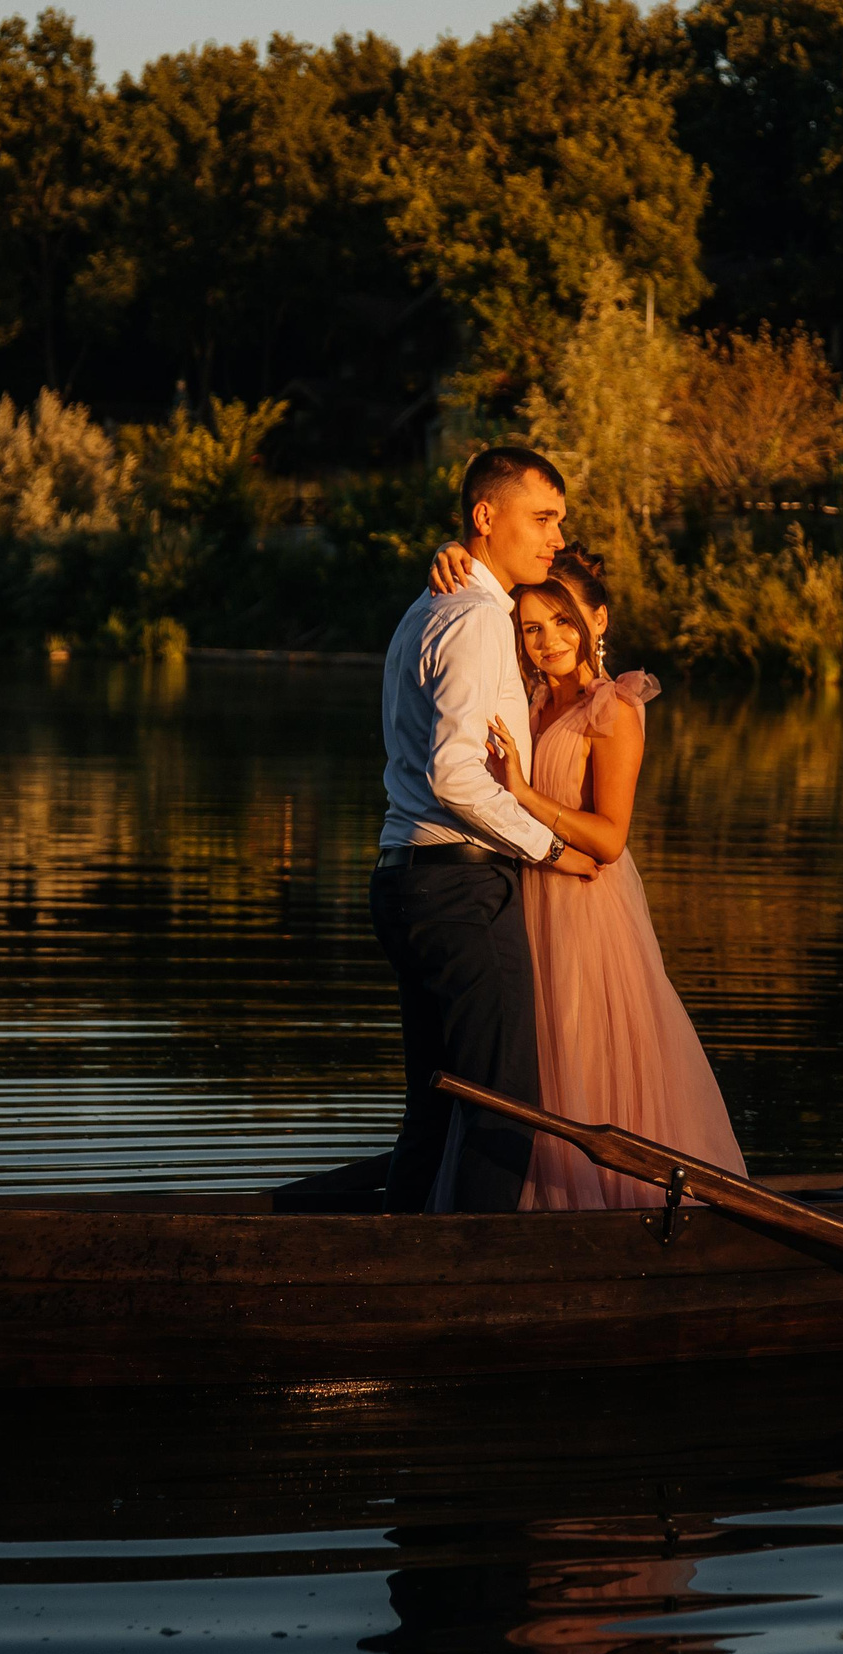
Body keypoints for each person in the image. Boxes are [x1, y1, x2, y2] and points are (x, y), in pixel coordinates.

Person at [425, 543, 747, 1209]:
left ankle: (596, 1203)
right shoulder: (528, 700)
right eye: (531, 628)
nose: (548, 641)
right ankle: (510, 1201)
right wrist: (451, 553)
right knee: (528, 1058)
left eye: (562, 622)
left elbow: (609, 837)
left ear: (597, 621)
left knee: (581, 1050)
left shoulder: (613, 709)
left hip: (586, 908)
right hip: (524, 900)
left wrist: (522, 791)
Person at [372, 448, 600, 1213]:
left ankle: (394, 1253)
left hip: (405, 879)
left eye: (559, 522)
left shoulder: (427, 606)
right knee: (505, 1105)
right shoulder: (473, 618)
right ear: (485, 516)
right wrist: (551, 849)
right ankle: (473, 1264)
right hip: (459, 888)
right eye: (543, 518)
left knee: (436, 1105)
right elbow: (455, 775)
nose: (556, 537)